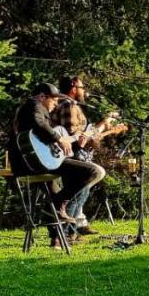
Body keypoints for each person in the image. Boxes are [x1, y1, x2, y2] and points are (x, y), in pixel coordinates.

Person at [10, 83, 105, 248]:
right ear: (41, 97)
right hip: (33, 163)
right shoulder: (33, 106)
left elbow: (48, 141)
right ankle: (59, 205)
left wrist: (75, 142)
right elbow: (39, 124)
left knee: (64, 191)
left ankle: (58, 238)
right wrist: (59, 138)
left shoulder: (35, 111)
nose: (55, 104)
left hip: (37, 162)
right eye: (53, 100)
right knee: (93, 172)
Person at [55, 76, 121, 236]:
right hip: (72, 154)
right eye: (81, 87)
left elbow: (82, 134)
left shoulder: (69, 104)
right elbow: (73, 136)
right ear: (73, 87)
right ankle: (64, 233)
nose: (84, 90)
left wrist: (103, 127)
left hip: (74, 153)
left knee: (81, 192)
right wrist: (101, 126)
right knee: (77, 193)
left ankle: (70, 231)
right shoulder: (68, 105)